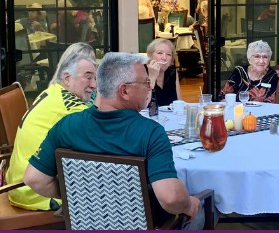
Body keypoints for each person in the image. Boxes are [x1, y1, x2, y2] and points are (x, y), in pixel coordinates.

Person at [23, 52, 204, 229]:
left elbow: (34, 179)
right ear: (124, 90)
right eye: (146, 82)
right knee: (202, 207)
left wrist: (82, 195)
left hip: (86, 225)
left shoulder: (67, 126)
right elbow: (170, 198)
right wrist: (189, 204)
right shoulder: (151, 133)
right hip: (149, 224)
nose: (150, 87)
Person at [5, 42, 97, 210]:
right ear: (67, 78)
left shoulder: (53, 90)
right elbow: (102, 127)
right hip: (33, 191)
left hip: (17, 181)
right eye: (88, 77)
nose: (94, 84)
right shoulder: (70, 105)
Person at [145, 38, 182, 106]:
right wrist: (152, 78)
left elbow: (179, 102)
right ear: (150, 55)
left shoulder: (172, 71)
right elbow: (143, 106)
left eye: (168, 54)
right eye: (160, 53)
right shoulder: (141, 71)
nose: (164, 58)